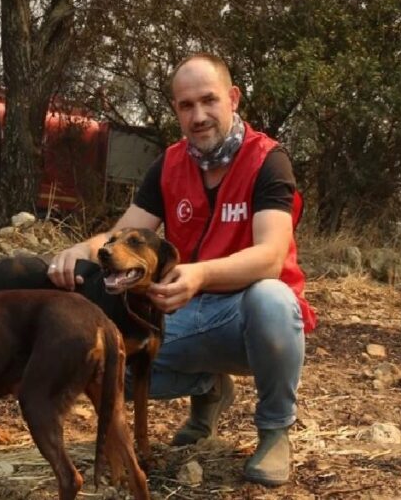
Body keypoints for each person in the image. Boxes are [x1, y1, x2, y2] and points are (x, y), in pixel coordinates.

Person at [49, 53, 317, 486]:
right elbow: (124, 233)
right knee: (112, 364)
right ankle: (208, 390)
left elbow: (270, 256)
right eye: (185, 106)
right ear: (175, 110)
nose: (199, 116)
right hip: (185, 315)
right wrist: (80, 248)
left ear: (232, 99)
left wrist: (200, 275)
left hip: (248, 319)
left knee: (273, 298)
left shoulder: (268, 161)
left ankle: (274, 431)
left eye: (209, 101)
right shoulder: (170, 164)